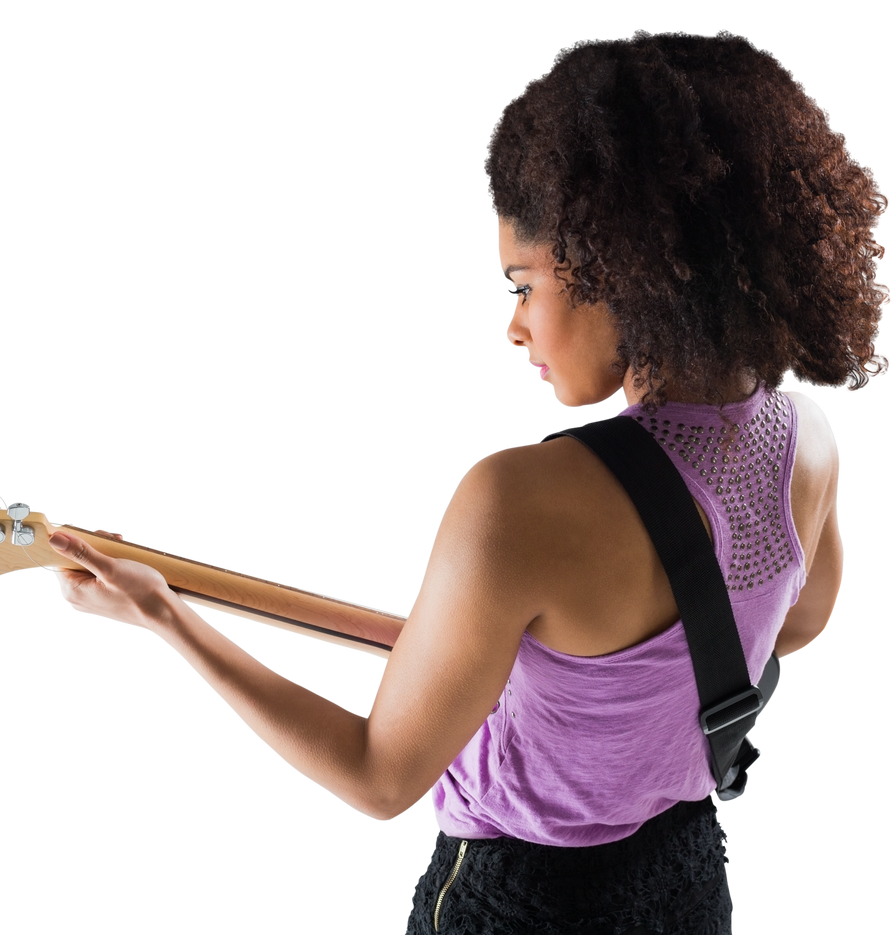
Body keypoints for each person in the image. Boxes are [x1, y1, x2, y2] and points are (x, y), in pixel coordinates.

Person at [48, 28, 889, 934]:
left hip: (516, 905)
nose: (515, 329)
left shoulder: (518, 502)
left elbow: (377, 778)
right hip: (689, 886)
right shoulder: (809, 440)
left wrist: (164, 615)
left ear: (620, 272)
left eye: (520, 286)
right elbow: (785, 629)